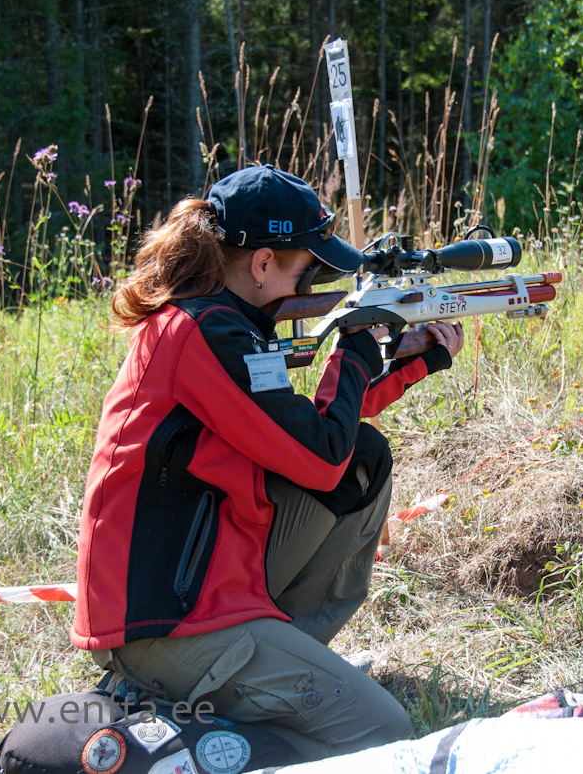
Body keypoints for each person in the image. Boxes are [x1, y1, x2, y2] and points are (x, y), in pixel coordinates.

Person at [69, 164, 463, 765]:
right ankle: (197, 715)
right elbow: (319, 456)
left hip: (207, 585)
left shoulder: (218, 322)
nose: (317, 281)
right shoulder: (206, 333)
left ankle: (281, 663)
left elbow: (308, 436)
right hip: (168, 621)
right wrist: (356, 345)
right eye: (310, 267)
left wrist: (409, 359)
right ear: (262, 264)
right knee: (384, 731)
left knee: (363, 459)